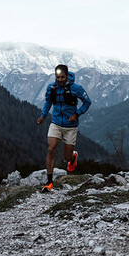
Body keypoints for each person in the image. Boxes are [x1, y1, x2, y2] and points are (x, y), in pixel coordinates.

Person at [37, 64, 91, 192]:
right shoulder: (52, 87)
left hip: (70, 127)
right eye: (57, 77)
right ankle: (49, 183)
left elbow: (87, 102)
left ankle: (73, 157)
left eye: (62, 77)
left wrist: (77, 114)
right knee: (50, 149)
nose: (60, 80)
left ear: (67, 76)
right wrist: (43, 115)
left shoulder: (76, 88)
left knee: (67, 157)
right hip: (55, 123)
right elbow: (48, 101)